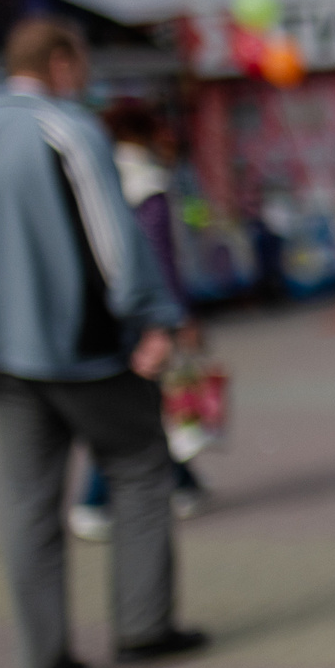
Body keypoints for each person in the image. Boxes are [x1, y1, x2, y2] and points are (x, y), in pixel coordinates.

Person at [0, 18, 208, 668]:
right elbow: (114, 237)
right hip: (73, 339)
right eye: (79, 62)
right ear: (60, 61)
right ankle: (144, 625)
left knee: (27, 495)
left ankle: (41, 656)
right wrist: (151, 316)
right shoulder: (66, 129)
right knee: (138, 461)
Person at [70, 102, 205, 537]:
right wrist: (175, 316)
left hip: (101, 311)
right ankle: (94, 500)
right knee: (134, 406)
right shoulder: (149, 185)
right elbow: (160, 260)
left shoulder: (95, 179)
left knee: (140, 403)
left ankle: (185, 483)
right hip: (145, 315)